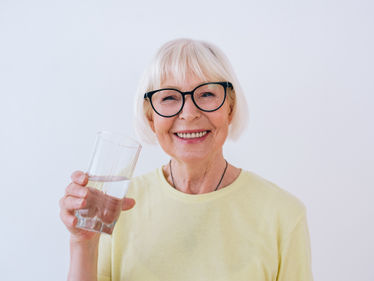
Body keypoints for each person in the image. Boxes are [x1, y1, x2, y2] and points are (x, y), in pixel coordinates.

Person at [59, 38, 314, 281]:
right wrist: (83, 242)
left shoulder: (283, 214)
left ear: (230, 108)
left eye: (206, 94)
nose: (189, 114)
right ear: (151, 117)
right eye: (169, 97)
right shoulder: (112, 207)